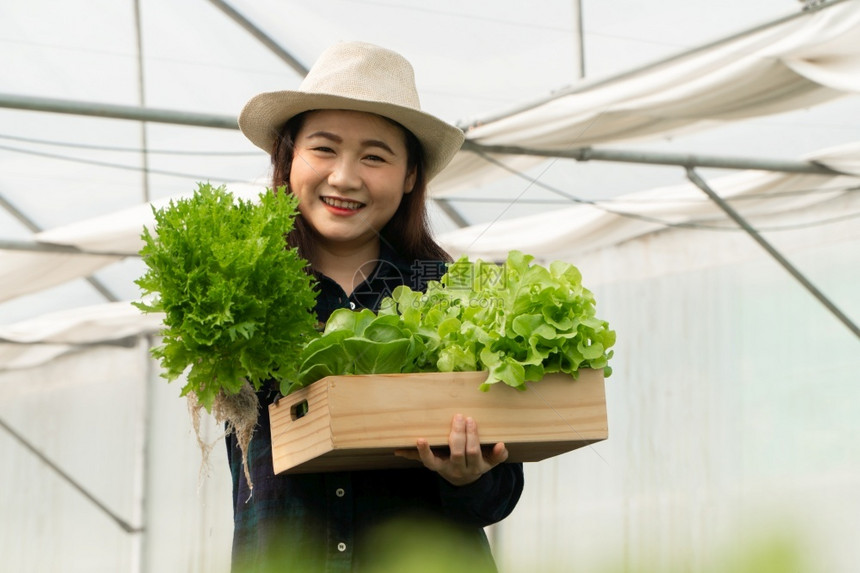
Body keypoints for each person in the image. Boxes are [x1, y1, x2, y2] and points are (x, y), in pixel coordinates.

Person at [228, 42, 524, 572]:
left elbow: (500, 494)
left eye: (374, 156)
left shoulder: (456, 294)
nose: (344, 177)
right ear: (288, 157)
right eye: (323, 149)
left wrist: (470, 474)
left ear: (411, 175)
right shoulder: (240, 294)